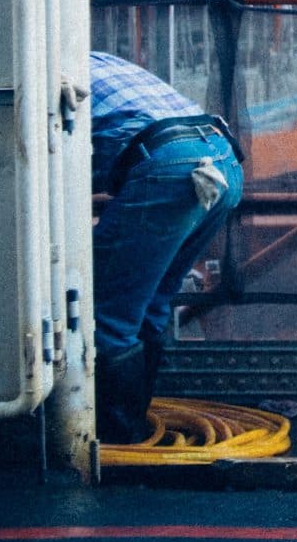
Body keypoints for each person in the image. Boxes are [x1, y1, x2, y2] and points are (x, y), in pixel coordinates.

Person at [89, 50, 243, 443]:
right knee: (152, 301)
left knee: (106, 312)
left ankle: (118, 441)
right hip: (222, 159)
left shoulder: (38, 77)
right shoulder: (96, 58)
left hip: (169, 165)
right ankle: (135, 420)